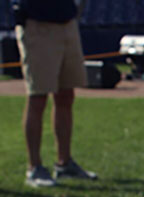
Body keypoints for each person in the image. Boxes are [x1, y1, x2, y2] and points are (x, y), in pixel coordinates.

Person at [14, 0, 97, 187]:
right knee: (38, 96)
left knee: (66, 95)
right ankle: (34, 167)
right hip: (38, 24)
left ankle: (64, 163)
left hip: (66, 22)